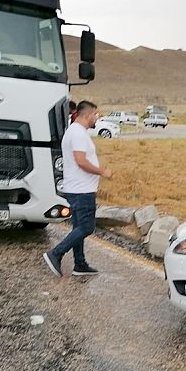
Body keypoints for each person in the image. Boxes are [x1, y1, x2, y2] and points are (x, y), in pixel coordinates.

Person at [42, 100, 112, 276]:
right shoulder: (78, 134)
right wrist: (101, 171)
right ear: (88, 115)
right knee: (86, 227)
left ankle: (80, 264)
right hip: (82, 190)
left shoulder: (74, 131)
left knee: (78, 227)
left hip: (77, 188)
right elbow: (81, 161)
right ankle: (56, 253)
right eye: (96, 114)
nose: (98, 117)